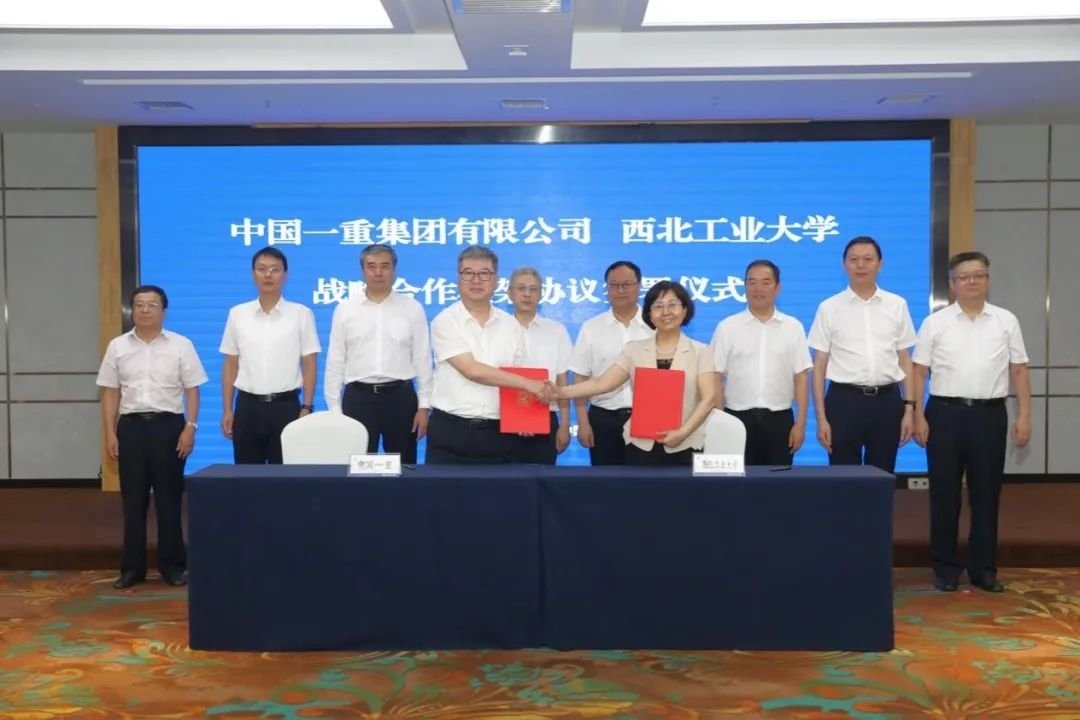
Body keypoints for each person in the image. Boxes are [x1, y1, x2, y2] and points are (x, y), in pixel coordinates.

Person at [912, 251, 1031, 593]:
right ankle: (945, 568)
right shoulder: (935, 323)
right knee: (944, 494)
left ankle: (983, 568)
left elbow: (1019, 370)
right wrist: (917, 415)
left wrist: (1024, 415)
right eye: (964, 276)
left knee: (986, 494)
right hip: (944, 415)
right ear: (952, 284)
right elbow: (919, 372)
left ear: (988, 280)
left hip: (989, 415)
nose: (972, 281)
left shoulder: (1006, 320)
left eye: (979, 275)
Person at [97, 285, 207, 590]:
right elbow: (110, 392)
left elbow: (193, 390)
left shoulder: (181, 345)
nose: (145, 310)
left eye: (152, 305)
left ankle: (173, 566)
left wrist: (190, 427)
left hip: (168, 427)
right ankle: (132, 569)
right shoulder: (118, 346)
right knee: (133, 502)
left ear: (164, 310)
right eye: (140, 305)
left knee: (169, 500)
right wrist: (110, 433)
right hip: (131, 428)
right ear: (132, 310)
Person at [560, 280, 714, 466]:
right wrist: (559, 392)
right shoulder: (634, 350)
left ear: (685, 310)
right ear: (649, 314)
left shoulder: (701, 352)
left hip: (686, 444)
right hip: (641, 445)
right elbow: (601, 384)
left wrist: (683, 433)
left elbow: (709, 399)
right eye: (658, 306)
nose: (666, 312)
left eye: (673, 305)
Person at [426, 247, 553, 464]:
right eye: (468, 273)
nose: (476, 280)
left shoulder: (511, 325)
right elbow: (472, 370)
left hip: (500, 435)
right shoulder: (445, 321)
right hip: (451, 432)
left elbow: (518, 374)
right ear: (459, 279)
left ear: (496, 281)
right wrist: (528, 384)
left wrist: (525, 418)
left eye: (484, 273)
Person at [809, 236, 917, 473]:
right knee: (843, 477)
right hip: (844, 401)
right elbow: (819, 365)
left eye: (868, 259)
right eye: (854, 259)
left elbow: (905, 359)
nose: (860, 265)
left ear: (880, 264)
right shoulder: (829, 307)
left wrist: (909, 409)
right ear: (844, 264)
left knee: (883, 474)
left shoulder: (897, 305)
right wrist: (821, 417)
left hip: (887, 401)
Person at [324, 245, 432, 463]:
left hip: (400, 399)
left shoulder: (412, 308)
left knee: (404, 467)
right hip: (358, 399)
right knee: (358, 468)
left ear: (394, 269)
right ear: (362, 270)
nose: (378, 272)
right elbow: (336, 361)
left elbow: (423, 360)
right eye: (371, 266)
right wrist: (335, 410)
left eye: (385, 266)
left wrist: (424, 406)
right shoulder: (346, 309)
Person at [220, 247, 320, 464]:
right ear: (253, 274)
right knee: (246, 476)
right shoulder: (237, 314)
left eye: (275, 269)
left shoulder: (301, 313)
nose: (268, 275)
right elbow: (230, 364)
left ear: (285, 275)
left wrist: (307, 406)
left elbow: (310, 364)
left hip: (286, 407)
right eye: (262, 269)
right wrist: (228, 409)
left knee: (285, 476)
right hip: (247, 407)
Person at [711, 259, 812, 466]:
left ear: (777, 287)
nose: (758, 289)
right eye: (752, 282)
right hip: (737, 419)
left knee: (778, 482)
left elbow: (801, 378)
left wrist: (800, 424)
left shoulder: (793, 327)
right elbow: (715, 377)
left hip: (780, 421)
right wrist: (721, 421)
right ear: (744, 286)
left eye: (766, 282)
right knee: (738, 481)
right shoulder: (727, 327)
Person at [569, 261, 653, 465]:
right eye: (614, 285)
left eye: (627, 284)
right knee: (606, 480)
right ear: (606, 288)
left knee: (648, 479)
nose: (620, 290)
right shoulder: (591, 328)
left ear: (639, 286)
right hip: (604, 420)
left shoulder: (656, 325)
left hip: (649, 419)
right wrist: (583, 423)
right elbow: (580, 378)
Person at [508, 267, 573, 464]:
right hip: (504, 420)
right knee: (504, 480)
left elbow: (562, 381)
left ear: (541, 294)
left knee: (543, 478)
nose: (527, 294)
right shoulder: (497, 330)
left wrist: (564, 425)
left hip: (546, 416)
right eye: (521, 288)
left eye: (533, 289)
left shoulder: (556, 331)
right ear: (510, 293)